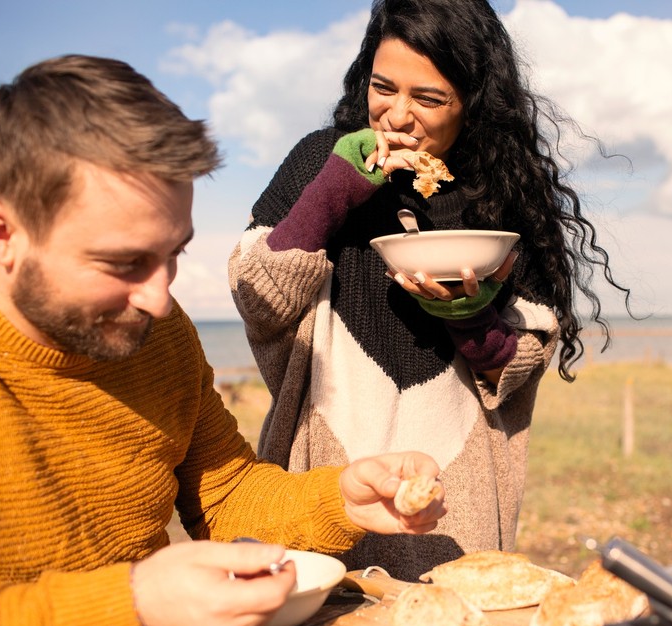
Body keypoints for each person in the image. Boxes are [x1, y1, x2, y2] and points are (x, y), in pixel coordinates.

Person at [0, 54, 446, 626]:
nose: (159, 300)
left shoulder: (158, 336)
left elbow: (223, 495)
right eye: (123, 263)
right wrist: (133, 604)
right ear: (4, 233)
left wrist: (340, 499)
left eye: (174, 254)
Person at [229, 0, 631, 580]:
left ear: (474, 102)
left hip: (454, 487)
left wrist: (474, 319)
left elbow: (523, 358)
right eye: (383, 88)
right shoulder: (323, 159)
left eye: (429, 99)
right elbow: (259, 298)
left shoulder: (503, 187)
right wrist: (334, 192)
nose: (397, 115)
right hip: (322, 471)